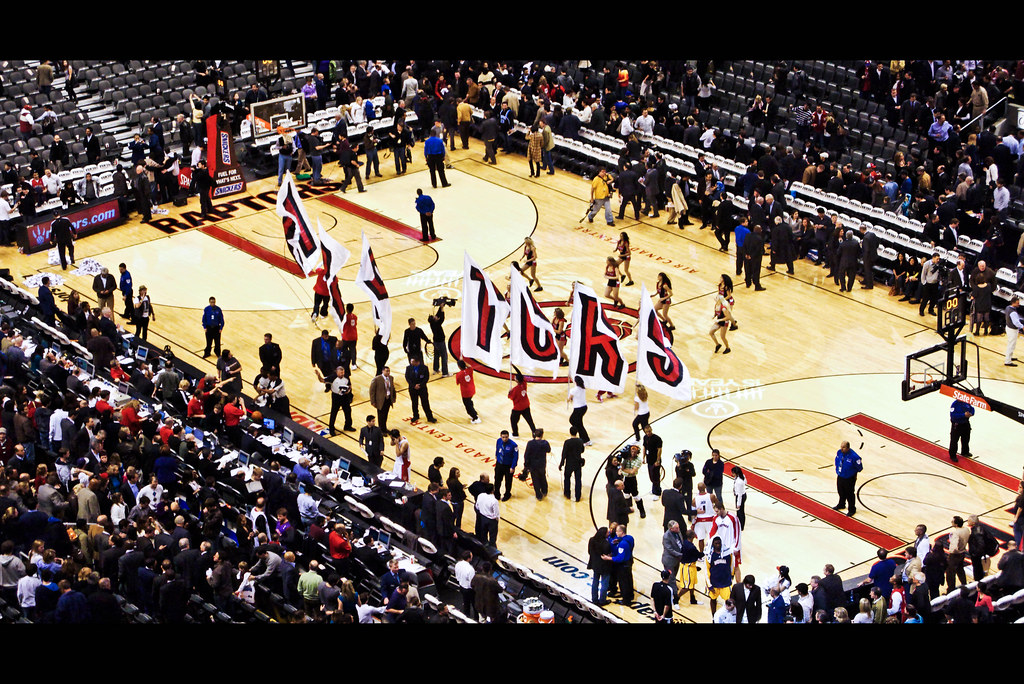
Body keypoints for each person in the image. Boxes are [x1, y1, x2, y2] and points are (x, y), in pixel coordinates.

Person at [603, 524, 635, 605]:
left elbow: (620, 558)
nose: (616, 532)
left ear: (621, 532)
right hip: (629, 562)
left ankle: (626, 600)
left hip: (623, 565)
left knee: (623, 583)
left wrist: (609, 558)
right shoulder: (630, 538)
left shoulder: (622, 544)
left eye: (617, 531)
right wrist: (619, 540)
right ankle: (630, 595)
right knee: (629, 580)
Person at [833, 440, 863, 516]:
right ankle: (841, 504)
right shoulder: (839, 452)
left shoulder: (854, 457)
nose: (841, 449)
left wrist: (853, 474)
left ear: (848, 448)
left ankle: (852, 509)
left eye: (843, 447)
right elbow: (837, 461)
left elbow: (859, 468)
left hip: (849, 478)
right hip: (840, 476)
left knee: (850, 494)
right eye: (841, 447)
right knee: (840, 491)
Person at [706, 536, 732, 618]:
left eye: (719, 543)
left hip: (726, 582)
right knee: (713, 599)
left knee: (729, 600)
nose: (718, 545)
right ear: (713, 544)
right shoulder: (709, 556)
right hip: (714, 583)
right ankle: (714, 616)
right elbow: (706, 571)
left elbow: (732, 566)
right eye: (716, 543)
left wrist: (731, 576)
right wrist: (709, 585)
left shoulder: (728, 554)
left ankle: (728, 616)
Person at [405, 356, 435, 423]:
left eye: (412, 361)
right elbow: (407, 378)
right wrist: (413, 385)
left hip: (422, 389)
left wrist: (420, 385)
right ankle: (415, 416)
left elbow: (426, 378)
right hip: (412, 389)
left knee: (425, 403)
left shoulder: (424, 368)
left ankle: (430, 417)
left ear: (417, 362)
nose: (411, 362)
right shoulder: (408, 368)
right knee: (414, 403)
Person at [709, 274, 735, 354]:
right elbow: (716, 309)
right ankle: (717, 344)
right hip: (720, 318)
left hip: (724, 319)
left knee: (722, 336)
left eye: (721, 278)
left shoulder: (724, 306)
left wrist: (722, 300)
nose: (719, 279)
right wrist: (714, 315)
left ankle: (728, 348)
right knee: (711, 332)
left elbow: (729, 296)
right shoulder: (718, 304)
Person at [559, 427, 585, 502]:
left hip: (569, 463)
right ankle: (578, 496)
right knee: (578, 480)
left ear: (570, 432)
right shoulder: (580, 441)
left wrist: (561, 464)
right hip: (578, 463)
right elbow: (582, 450)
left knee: (567, 479)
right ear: (577, 432)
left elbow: (564, 454)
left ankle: (567, 494)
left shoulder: (567, 442)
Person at [507, 372, 536, 437]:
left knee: (513, 421)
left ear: (516, 380)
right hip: (526, 405)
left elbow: (510, 397)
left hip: (518, 408)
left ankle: (515, 434)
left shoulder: (515, 389)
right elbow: (520, 375)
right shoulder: (524, 383)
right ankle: (534, 433)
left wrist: (509, 392)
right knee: (530, 420)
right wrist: (514, 366)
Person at [368, 367, 397, 433]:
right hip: (380, 400)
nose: (388, 372)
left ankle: (384, 428)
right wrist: (373, 401)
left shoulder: (391, 378)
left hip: (388, 399)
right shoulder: (377, 379)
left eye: (389, 371)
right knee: (381, 415)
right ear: (383, 371)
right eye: (386, 371)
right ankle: (381, 430)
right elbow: (372, 391)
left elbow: (393, 388)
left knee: (386, 414)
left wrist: (394, 397)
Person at [328, 366, 354, 435]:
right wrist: (318, 375)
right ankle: (331, 429)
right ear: (337, 372)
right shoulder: (332, 377)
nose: (342, 374)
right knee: (334, 412)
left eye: (343, 372)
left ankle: (348, 426)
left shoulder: (346, 377)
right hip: (336, 397)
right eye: (341, 373)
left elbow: (350, 386)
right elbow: (322, 380)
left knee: (348, 411)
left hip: (344, 396)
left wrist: (348, 391)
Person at [494, 430, 519, 502]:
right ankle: (496, 494)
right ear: (500, 436)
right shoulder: (498, 441)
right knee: (497, 480)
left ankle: (507, 494)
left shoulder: (513, 445)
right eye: (503, 437)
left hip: (508, 466)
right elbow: (497, 448)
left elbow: (515, 457)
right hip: (499, 464)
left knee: (508, 481)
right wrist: (496, 455)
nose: (504, 439)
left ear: (508, 436)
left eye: (506, 437)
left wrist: (513, 467)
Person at [567, 377, 592, 446]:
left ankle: (586, 440)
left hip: (578, 408)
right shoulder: (582, 388)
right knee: (578, 423)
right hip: (584, 407)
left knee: (573, 421)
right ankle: (583, 438)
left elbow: (569, 399)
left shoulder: (573, 390)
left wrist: (568, 399)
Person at [948, 396, 973, 462]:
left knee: (966, 439)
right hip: (957, 425)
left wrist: (971, 413)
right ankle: (952, 455)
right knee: (954, 440)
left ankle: (965, 452)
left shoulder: (966, 403)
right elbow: (953, 416)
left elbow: (972, 409)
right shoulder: (954, 404)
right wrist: (963, 415)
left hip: (965, 423)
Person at [1005, 296, 1023, 367]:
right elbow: (1016, 322)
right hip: (1012, 330)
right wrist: (1022, 326)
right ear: (1013, 303)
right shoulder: (1013, 312)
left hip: (1008, 327)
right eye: (1017, 303)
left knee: (1011, 344)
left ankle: (1009, 357)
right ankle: (1008, 361)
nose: (1019, 304)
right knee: (1011, 345)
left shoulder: (1007, 308)